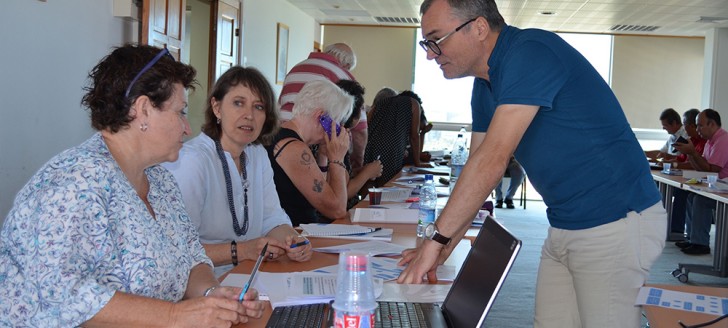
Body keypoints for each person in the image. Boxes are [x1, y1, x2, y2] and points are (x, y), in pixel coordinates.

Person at [397, 1, 665, 328]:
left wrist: (437, 239)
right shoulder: (485, 85)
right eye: (427, 43)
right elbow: (476, 167)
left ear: (479, 28)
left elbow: (494, 160)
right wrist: (441, 246)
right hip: (565, 222)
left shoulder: (530, 52)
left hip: (616, 222)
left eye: (436, 39)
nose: (430, 53)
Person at [0, 45, 263, 326]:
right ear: (143, 110)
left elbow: (192, 258)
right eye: (180, 112)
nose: (187, 128)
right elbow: (61, 296)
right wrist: (175, 316)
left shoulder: (160, 180)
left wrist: (213, 295)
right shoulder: (71, 184)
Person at [164, 66, 313, 278]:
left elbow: (272, 218)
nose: (249, 116)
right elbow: (175, 250)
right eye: (238, 103)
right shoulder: (192, 161)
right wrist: (240, 251)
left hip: (249, 275)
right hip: (202, 284)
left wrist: (293, 240)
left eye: (258, 107)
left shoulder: (257, 154)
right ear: (216, 108)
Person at [266, 80, 354, 226]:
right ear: (321, 117)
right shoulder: (293, 147)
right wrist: (338, 158)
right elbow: (337, 209)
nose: (337, 128)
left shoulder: (284, 135)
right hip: (297, 237)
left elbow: (327, 194)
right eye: (336, 122)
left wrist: (325, 156)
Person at [278, 43, 369, 171]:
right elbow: (360, 131)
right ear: (347, 66)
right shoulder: (342, 75)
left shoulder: (295, 69)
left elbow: (279, 105)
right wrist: (358, 165)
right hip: (312, 141)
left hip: (281, 136)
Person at [673, 109, 728, 255]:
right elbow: (701, 168)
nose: (697, 129)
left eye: (700, 125)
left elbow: (712, 170)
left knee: (700, 200)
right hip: (717, 186)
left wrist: (692, 153)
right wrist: (690, 153)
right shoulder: (710, 141)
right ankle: (693, 238)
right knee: (691, 196)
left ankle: (701, 243)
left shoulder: (723, 140)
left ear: (712, 124)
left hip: (724, 189)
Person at [364, 88, 432, 187]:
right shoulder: (414, 104)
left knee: (370, 186)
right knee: (387, 187)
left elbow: (367, 125)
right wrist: (418, 163)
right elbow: (414, 136)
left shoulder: (382, 102)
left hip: (371, 146)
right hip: (392, 149)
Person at [333, 79, 384, 208]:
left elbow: (340, 176)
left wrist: (363, 171)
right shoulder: (337, 139)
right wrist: (367, 173)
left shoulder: (336, 132)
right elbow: (345, 192)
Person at [668, 108, 707, 237]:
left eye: (684, 125)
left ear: (692, 125)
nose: (684, 129)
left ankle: (677, 231)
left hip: (702, 179)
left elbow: (694, 165)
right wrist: (669, 162)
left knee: (681, 193)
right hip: (690, 177)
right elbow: (681, 158)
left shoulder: (705, 142)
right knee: (664, 187)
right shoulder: (692, 140)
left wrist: (674, 165)